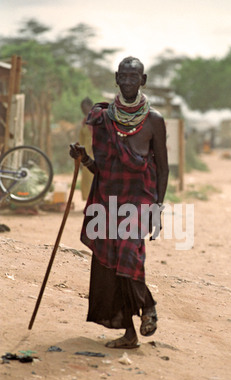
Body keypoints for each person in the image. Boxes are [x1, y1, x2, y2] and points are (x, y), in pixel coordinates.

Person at [69, 57, 169, 349]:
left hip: (139, 199)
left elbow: (163, 169)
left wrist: (158, 208)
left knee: (128, 254)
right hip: (108, 198)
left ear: (143, 80)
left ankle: (148, 306)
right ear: (116, 78)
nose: (127, 82)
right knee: (111, 265)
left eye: (133, 77)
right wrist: (83, 158)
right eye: (123, 77)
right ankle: (129, 333)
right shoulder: (103, 119)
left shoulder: (154, 121)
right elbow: (101, 168)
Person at [79, 98, 94, 200]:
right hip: (85, 153)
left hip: (95, 152)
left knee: (93, 178)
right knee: (86, 178)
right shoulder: (84, 122)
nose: (84, 110)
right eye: (82, 108)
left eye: (86, 108)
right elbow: (81, 139)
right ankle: (89, 201)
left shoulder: (97, 119)